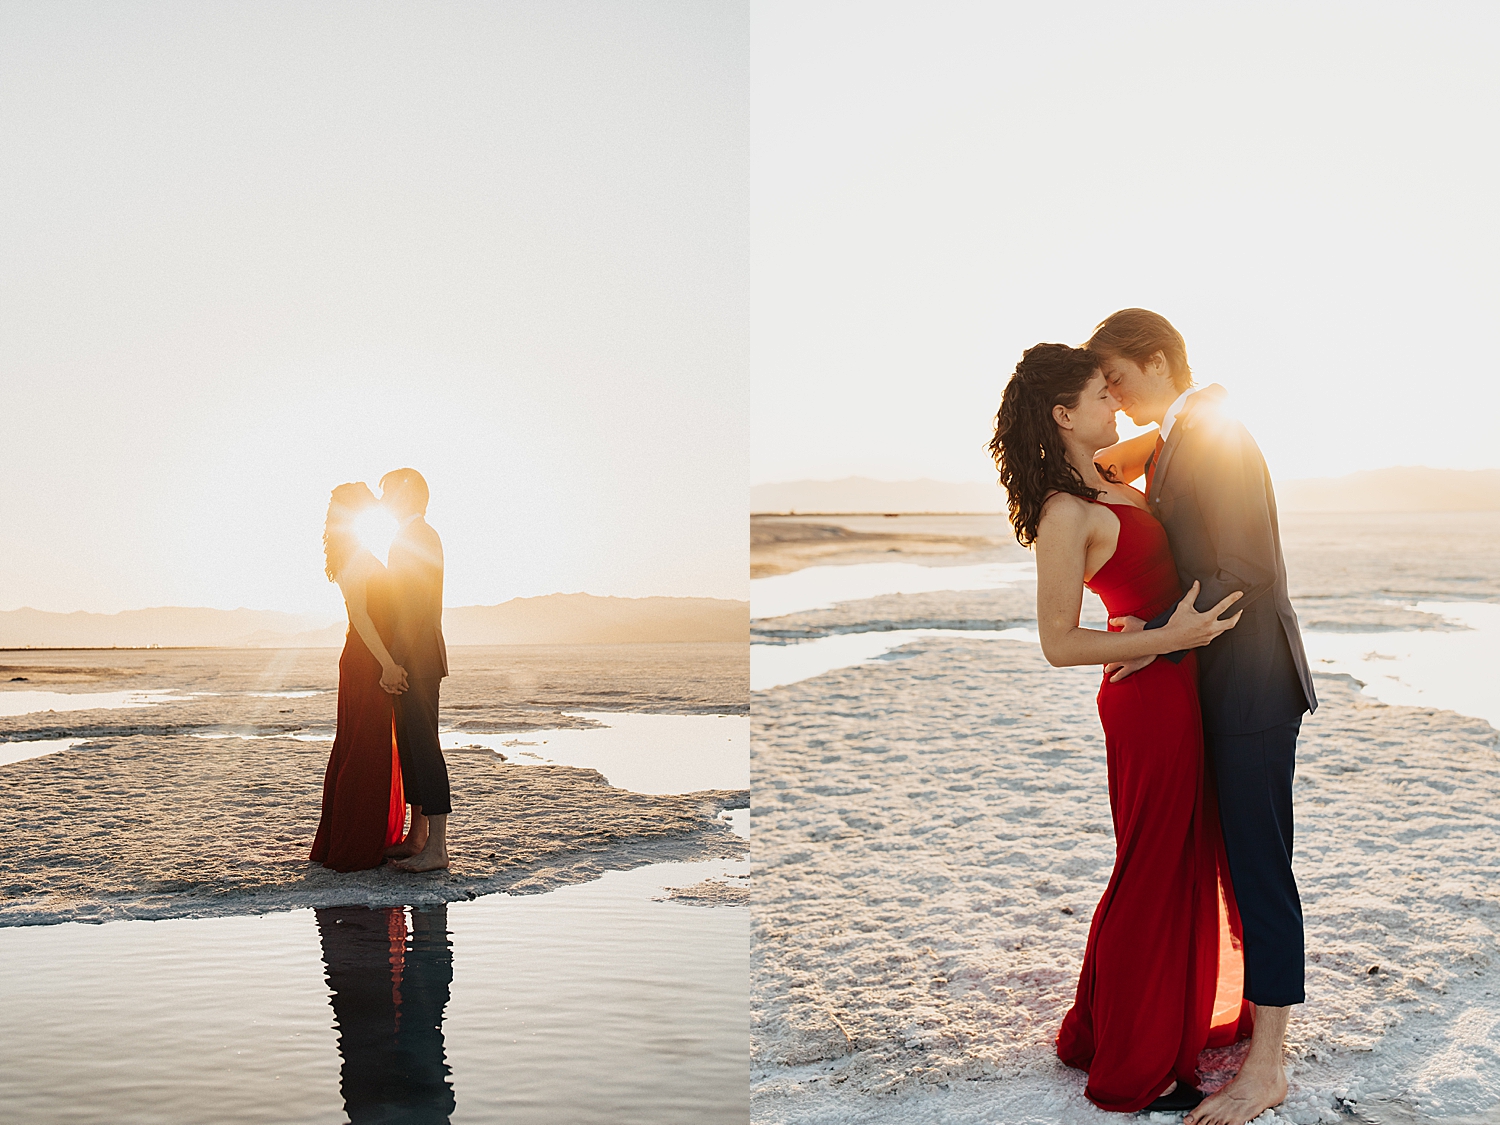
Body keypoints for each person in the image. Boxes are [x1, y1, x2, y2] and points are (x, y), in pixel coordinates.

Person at [988, 343, 1253, 1114]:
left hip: (1173, 683)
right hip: (1148, 699)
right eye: (1102, 399)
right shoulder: (1064, 514)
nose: (1118, 408)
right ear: (1065, 415)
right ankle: (1132, 1066)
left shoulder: (1110, 475)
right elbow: (1059, 643)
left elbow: (1197, 412)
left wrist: (1162, 633)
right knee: (1150, 865)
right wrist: (1168, 638)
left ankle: (1107, 1027)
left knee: (1167, 861)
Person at [1087, 309, 1317, 1125]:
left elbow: (1243, 563)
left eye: (1115, 374)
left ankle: (1269, 1069)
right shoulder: (1183, 432)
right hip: (1217, 681)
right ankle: (1245, 1022)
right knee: (1234, 860)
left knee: (1259, 864)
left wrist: (1161, 637)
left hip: (1251, 684)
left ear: (1155, 359)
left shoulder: (1217, 431)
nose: (1110, 392)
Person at [310, 482, 410, 873]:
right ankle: (354, 845)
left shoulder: (360, 549)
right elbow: (362, 619)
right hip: (365, 661)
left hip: (373, 659)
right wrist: (386, 664)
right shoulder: (352, 555)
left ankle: (367, 837)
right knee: (363, 749)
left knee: (369, 747)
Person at [379, 468, 453, 873]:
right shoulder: (411, 535)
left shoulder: (418, 536)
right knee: (411, 747)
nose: (384, 499)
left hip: (418, 658)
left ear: (408, 496)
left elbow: (413, 608)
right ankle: (417, 837)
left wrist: (395, 661)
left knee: (424, 749)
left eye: (388, 492)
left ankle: (437, 849)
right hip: (417, 656)